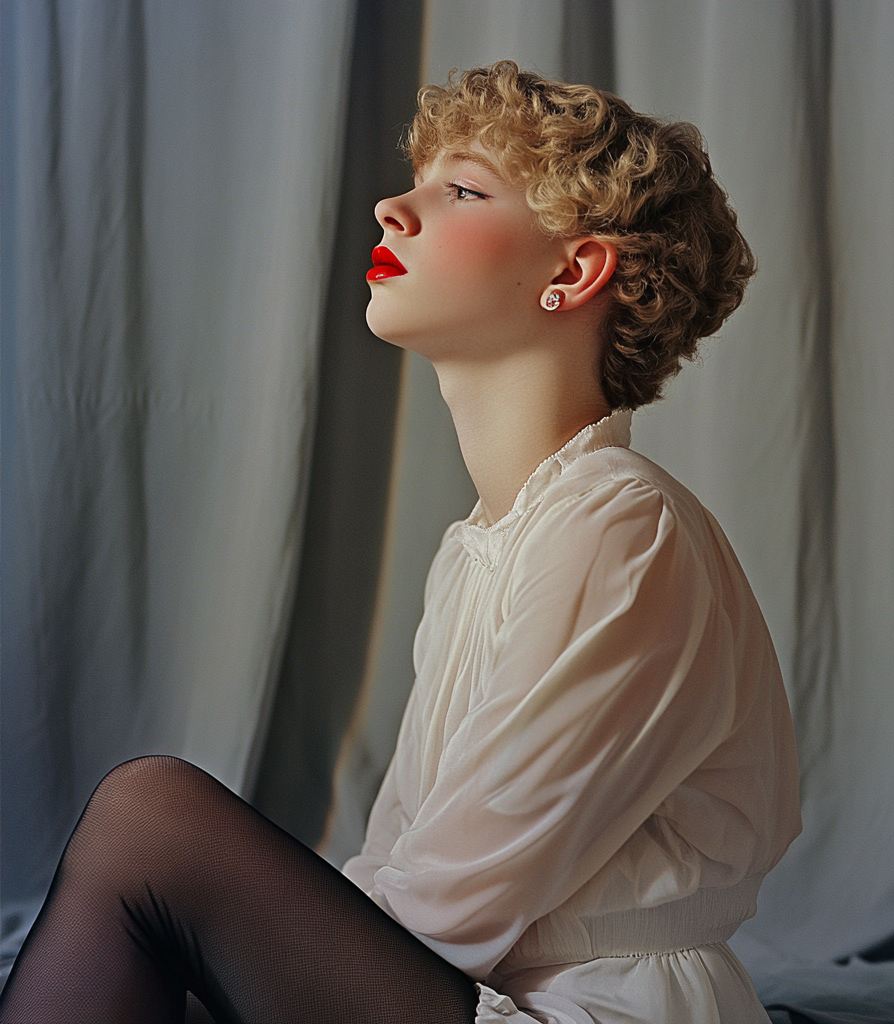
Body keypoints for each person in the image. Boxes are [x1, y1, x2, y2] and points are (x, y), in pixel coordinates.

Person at [0, 62, 801, 1024]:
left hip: (585, 1011)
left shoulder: (618, 524)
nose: (389, 208)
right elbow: (397, 866)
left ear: (575, 270)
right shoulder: (480, 548)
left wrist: (231, 966)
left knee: (150, 816)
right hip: (465, 987)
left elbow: (443, 909)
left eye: (459, 190)